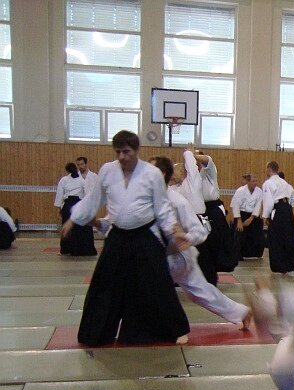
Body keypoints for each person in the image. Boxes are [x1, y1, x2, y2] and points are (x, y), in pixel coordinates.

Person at [62, 130, 190, 346]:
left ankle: (174, 330)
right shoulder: (107, 171)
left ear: (137, 151)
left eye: (127, 152)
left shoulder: (151, 174)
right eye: (118, 152)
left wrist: (174, 230)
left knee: (157, 281)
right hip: (118, 235)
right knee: (104, 283)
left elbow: (162, 207)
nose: (122, 156)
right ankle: (96, 333)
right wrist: (73, 218)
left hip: (145, 235)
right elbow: (94, 199)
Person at [148, 156, 251, 330]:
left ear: (162, 174)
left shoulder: (177, 201)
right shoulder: (151, 197)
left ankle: (171, 328)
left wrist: (187, 238)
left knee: (150, 287)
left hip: (177, 257)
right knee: (201, 291)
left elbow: (199, 231)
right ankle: (241, 312)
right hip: (166, 255)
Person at [262, 160, 294, 273]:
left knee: (276, 237)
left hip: (278, 210)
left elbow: (268, 201)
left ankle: (281, 266)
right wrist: (288, 208)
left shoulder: (268, 183)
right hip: (287, 209)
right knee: (290, 234)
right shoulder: (284, 182)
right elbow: (292, 196)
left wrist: (265, 216)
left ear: (269, 169)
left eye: (266, 169)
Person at [196, 150, 237, 284]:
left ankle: (215, 269)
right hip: (199, 210)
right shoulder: (192, 175)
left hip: (213, 209)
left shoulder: (209, 171)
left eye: (197, 158)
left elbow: (208, 160)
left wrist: (193, 154)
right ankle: (205, 272)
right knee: (203, 244)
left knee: (217, 241)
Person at [55, 162, 96, 256]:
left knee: (67, 227)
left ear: (67, 171)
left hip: (68, 205)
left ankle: (65, 250)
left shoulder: (64, 180)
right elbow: (87, 194)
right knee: (79, 228)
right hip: (79, 204)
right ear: (76, 169)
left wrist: (59, 207)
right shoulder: (82, 180)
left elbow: (59, 195)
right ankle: (79, 249)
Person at [230, 174, 265, 259]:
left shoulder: (259, 191)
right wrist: (239, 221)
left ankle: (254, 254)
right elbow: (236, 206)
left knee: (258, 233)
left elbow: (258, 206)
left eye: (256, 181)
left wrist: (251, 218)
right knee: (240, 233)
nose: (255, 183)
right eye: (253, 181)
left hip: (253, 215)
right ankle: (238, 254)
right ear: (248, 182)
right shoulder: (240, 191)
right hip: (241, 214)